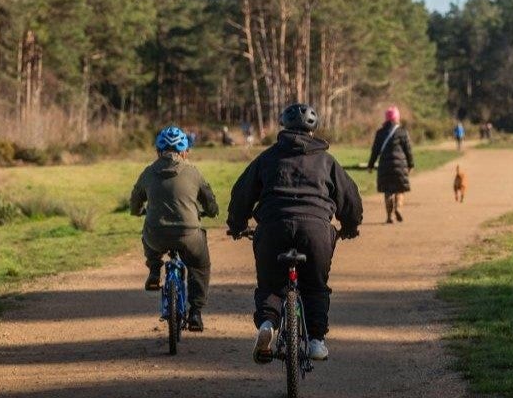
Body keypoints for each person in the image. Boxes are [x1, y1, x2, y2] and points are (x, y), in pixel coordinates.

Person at [226, 104, 363, 364]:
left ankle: (268, 323)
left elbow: (241, 194)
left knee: (271, 285)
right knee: (315, 286)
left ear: (284, 127)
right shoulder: (327, 161)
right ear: (313, 130)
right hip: (316, 231)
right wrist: (350, 226)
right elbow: (350, 198)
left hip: (273, 228)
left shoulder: (267, 158)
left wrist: (237, 225)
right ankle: (316, 341)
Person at [130, 126, 219, 331]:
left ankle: (154, 270)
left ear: (158, 151)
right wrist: (212, 211)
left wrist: (138, 211)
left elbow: (135, 199)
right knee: (199, 266)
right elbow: (209, 201)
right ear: (185, 151)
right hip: (189, 234)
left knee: (147, 232)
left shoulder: (148, 172)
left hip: (156, 235)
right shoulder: (193, 172)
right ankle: (195, 313)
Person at [368, 106, 414, 224]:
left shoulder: (380, 132)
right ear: (397, 118)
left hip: (385, 166)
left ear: (386, 118)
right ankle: (398, 207)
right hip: (400, 165)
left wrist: (371, 165)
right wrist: (410, 164)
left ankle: (389, 216)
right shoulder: (402, 132)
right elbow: (408, 150)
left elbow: (375, 150)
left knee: (388, 191)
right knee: (399, 190)